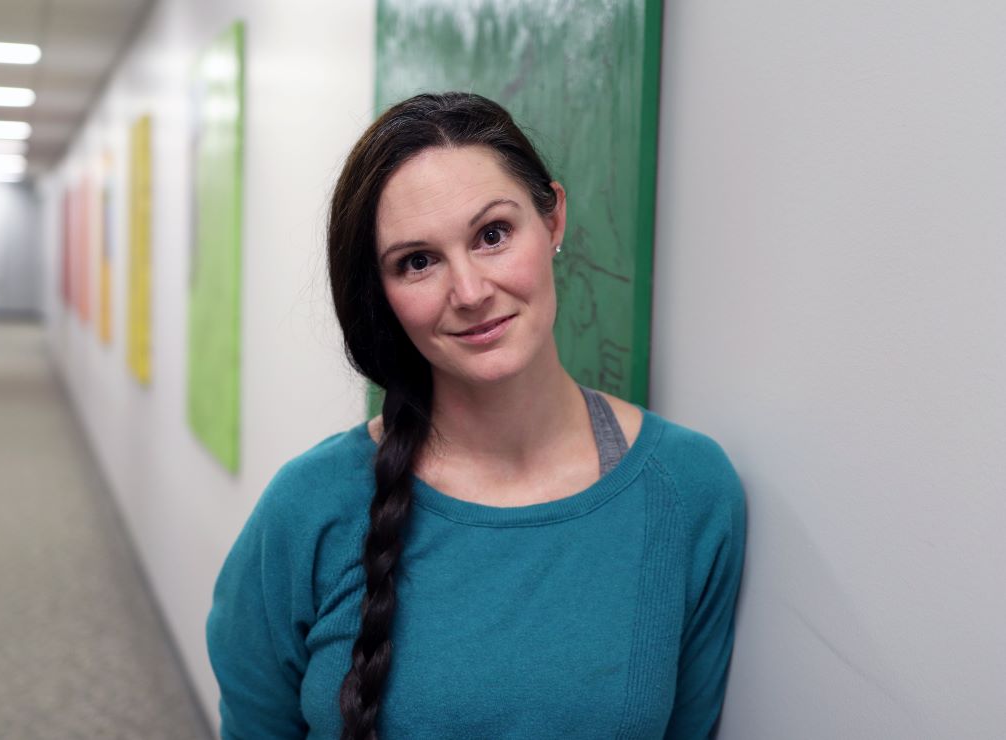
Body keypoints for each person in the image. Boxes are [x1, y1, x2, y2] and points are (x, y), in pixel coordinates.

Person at [206, 92, 746, 740]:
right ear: (383, 294)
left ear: (554, 221)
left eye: (493, 235)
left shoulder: (688, 491)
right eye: (418, 262)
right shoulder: (309, 508)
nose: (469, 293)